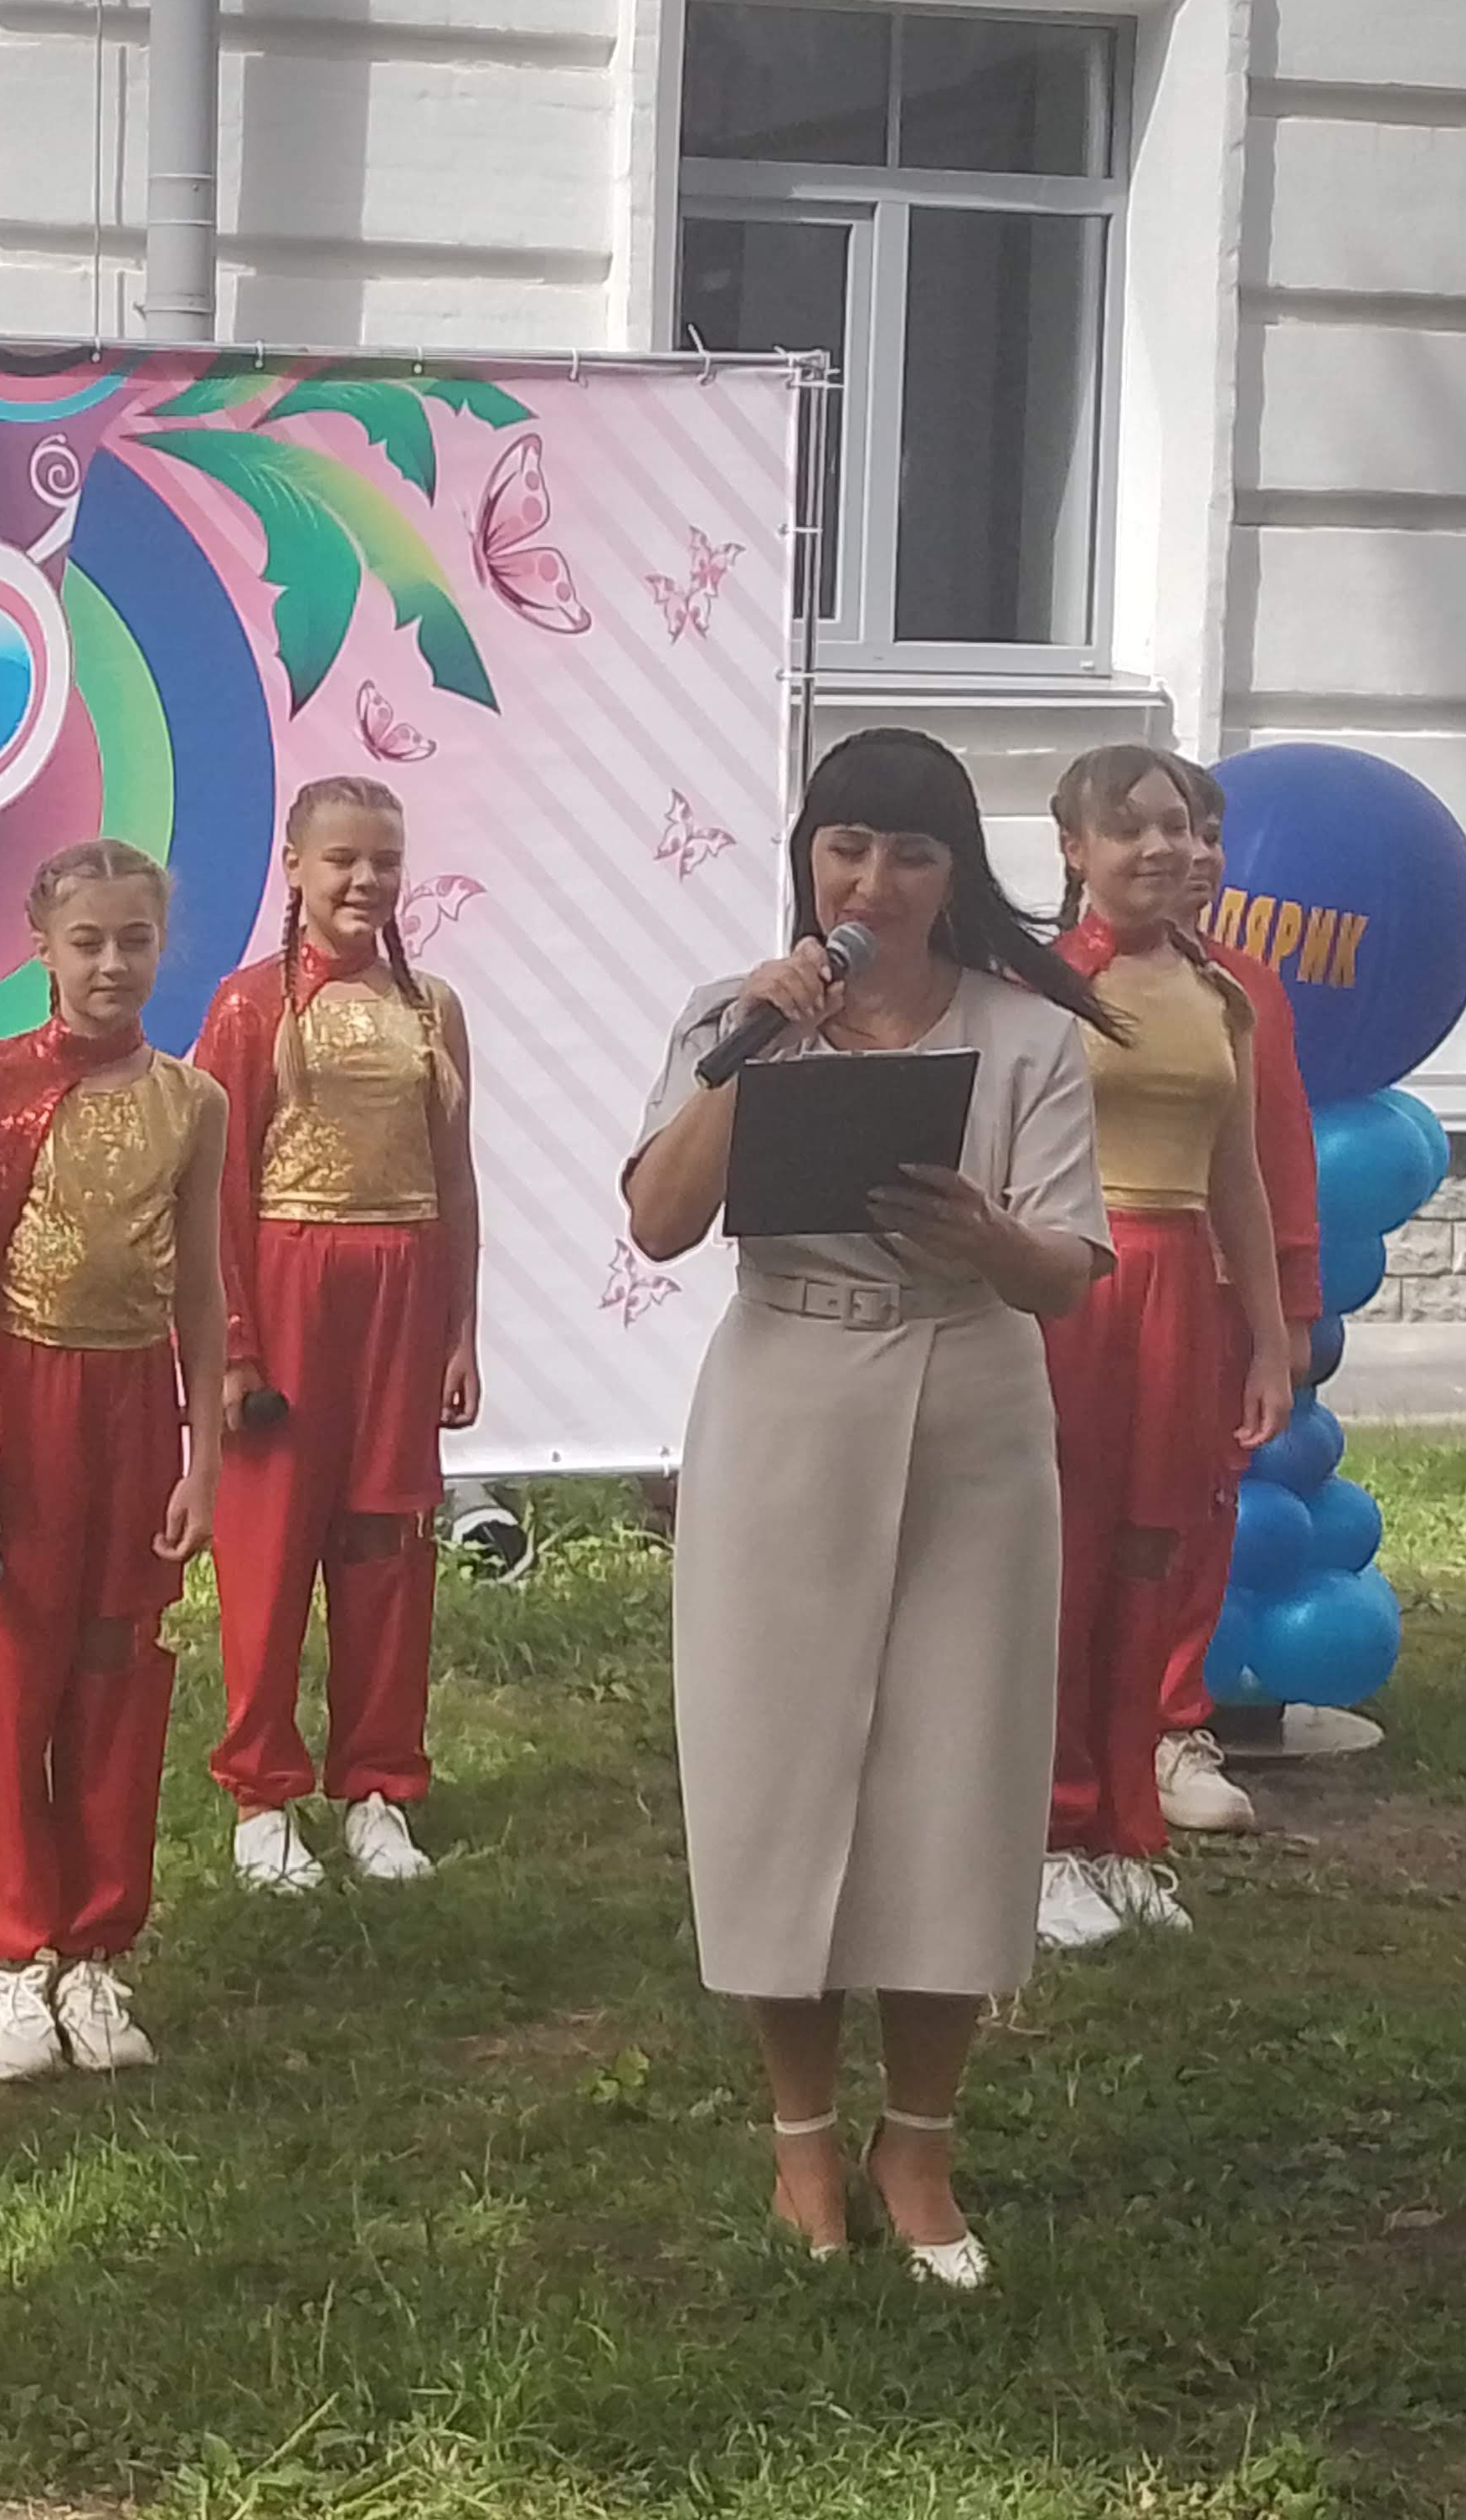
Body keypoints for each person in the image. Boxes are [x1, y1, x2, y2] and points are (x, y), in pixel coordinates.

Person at [624, 728, 1114, 2287]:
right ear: (808, 858)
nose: (873, 881)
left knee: (955, 1769)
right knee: (778, 1763)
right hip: (786, 1395)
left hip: (972, 1405)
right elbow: (657, 1221)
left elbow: (1069, 1276)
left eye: (910, 853)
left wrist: (987, 1238)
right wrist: (759, 1047)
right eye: (846, 846)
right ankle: (800, 2142)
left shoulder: (1026, 1036)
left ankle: (921, 2141)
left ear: (954, 873)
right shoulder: (734, 1015)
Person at [0, 838, 229, 2084]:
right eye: (86, 942)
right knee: (9, 1683)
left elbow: (200, 1291)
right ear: (40, 947)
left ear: (161, 947)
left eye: (133, 941)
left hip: (134, 1412)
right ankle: (9, 1957)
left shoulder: (193, 1103)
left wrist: (201, 1456)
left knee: (115, 1674)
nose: (110, 964)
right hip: (23, 1415)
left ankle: (96, 1948)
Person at [192, 775, 482, 1891]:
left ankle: (377, 1786)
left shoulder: (431, 1010)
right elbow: (215, 1189)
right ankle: (262, 1798)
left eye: (386, 862)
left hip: (400, 1295)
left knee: (386, 1548)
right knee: (268, 1554)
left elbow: (454, 1180)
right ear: (295, 868)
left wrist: (459, 1331)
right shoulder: (248, 1007)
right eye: (344, 860)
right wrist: (235, 1349)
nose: (366, 881)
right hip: (287, 1289)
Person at [1038, 746, 1295, 1952]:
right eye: (1129, 827)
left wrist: (1268, 1342)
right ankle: (1046, 1836)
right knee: (1066, 1565)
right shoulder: (1038, 987)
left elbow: (1237, 1176)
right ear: (1074, 849)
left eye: (1180, 826)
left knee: (1154, 1556)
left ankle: (1125, 1832)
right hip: (1073, 1289)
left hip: (1183, 1289)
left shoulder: (1220, 994)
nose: (1162, 848)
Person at [1152, 759, 1324, 1834]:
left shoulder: (1244, 988)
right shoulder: (1041, 983)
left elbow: (1276, 1159)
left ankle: (1171, 1727)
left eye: (1209, 835)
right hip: (1073, 1289)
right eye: (1172, 831)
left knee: (1192, 1515)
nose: (1195, 856)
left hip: (1208, 1294)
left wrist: (1285, 1314)